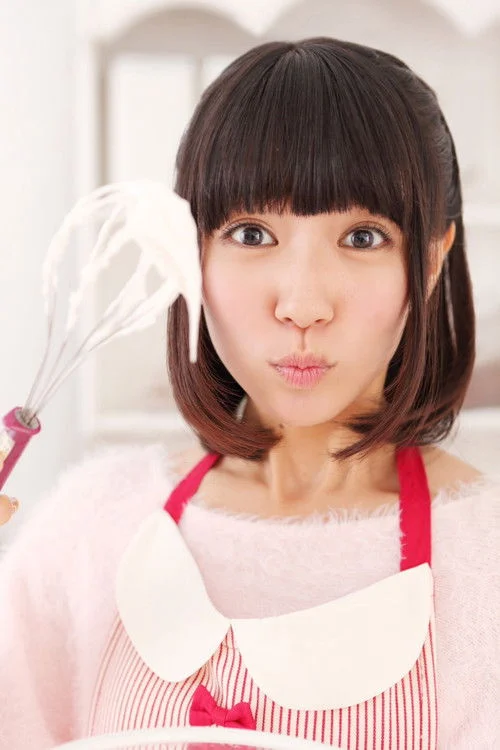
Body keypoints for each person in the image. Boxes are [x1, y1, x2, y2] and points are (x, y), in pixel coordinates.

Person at [1, 36, 499, 750]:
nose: (302, 305)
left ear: (429, 261)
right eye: (251, 233)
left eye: (362, 238)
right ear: (188, 253)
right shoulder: (89, 529)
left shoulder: (486, 561)